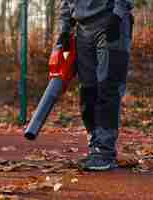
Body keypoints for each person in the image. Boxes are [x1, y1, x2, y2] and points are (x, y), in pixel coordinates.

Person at [58, 0, 134, 171]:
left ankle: (104, 152)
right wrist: (65, 27)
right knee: (88, 91)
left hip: (111, 20)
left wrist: (118, 14)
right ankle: (96, 146)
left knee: (108, 87)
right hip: (83, 29)